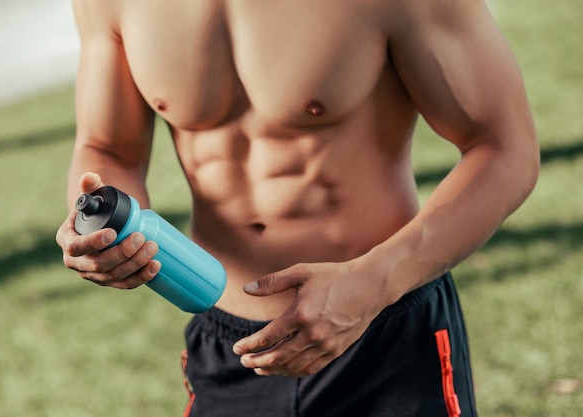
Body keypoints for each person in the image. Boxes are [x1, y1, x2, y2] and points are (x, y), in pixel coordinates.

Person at [56, 0, 539, 415]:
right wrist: (98, 226)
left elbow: (504, 149)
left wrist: (376, 282)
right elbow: (108, 146)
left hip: (379, 332)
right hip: (228, 344)